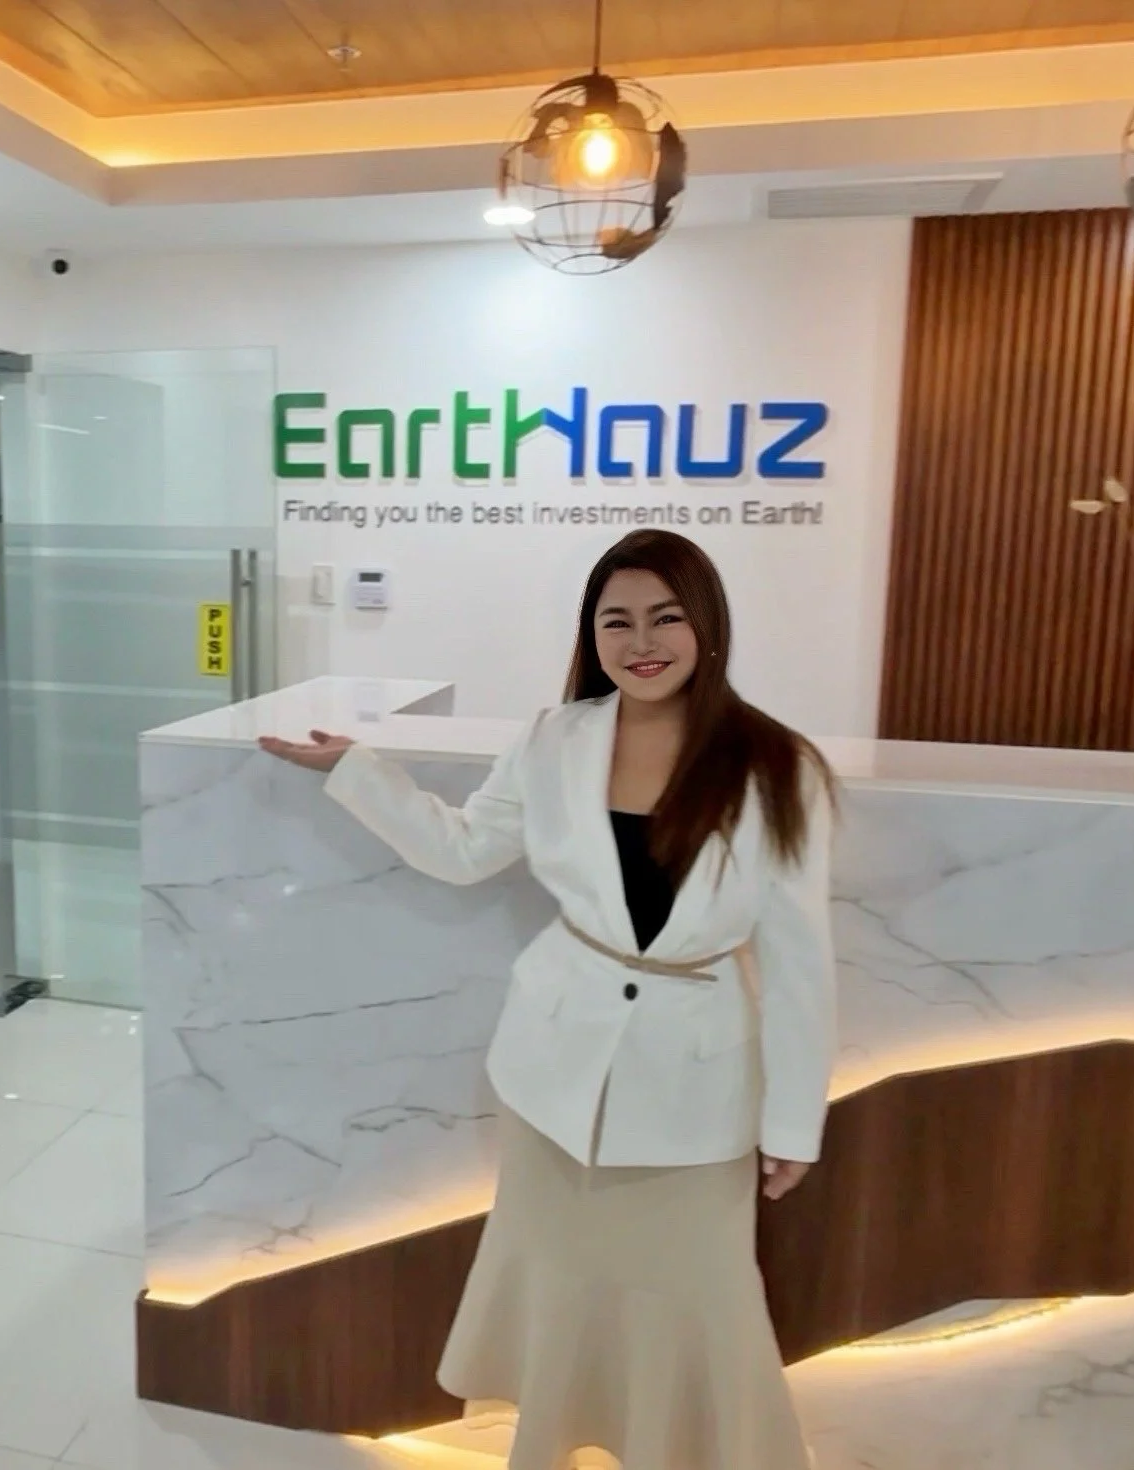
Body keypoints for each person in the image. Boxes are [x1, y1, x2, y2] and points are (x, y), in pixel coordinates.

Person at [261, 529, 836, 1470]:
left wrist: (794, 1122)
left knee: (705, 1298)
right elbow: (461, 851)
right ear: (591, 635)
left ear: (707, 626)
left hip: (696, 1093)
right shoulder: (554, 740)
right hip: (554, 1081)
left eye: (664, 617)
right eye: (617, 621)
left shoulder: (777, 765)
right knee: (563, 1290)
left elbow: (801, 962)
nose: (640, 642)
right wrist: (360, 772)